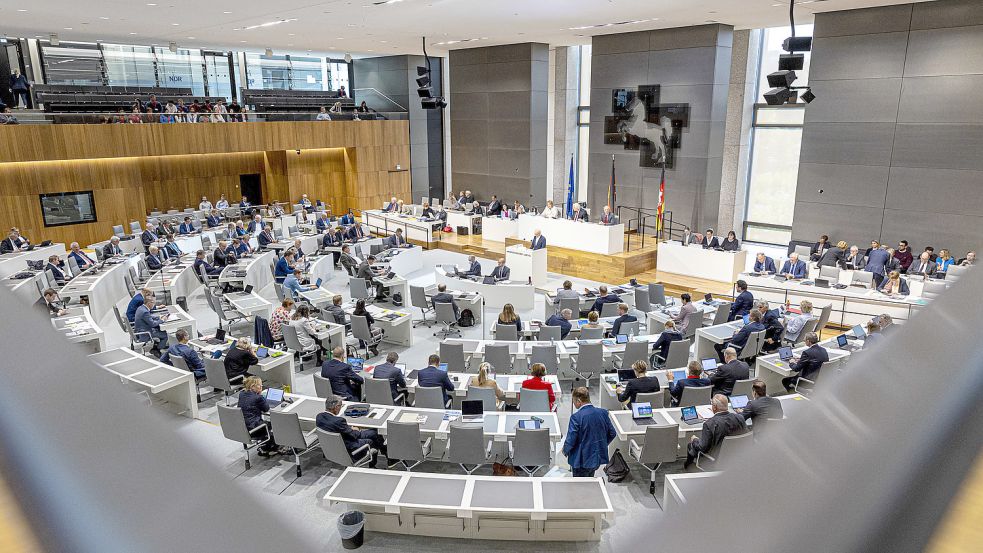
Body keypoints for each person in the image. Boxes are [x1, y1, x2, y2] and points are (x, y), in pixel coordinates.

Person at [316, 395, 388, 467]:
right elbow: (355, 435)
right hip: (349, 449)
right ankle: (377, 462)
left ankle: (384, 456)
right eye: (341, 406)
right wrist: (356, 429)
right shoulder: (339, 421)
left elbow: (337, 428)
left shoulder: (319, 417)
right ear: (336, 407)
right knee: (374, 434)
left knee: (373, 434)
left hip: (333, 448)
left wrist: (348, 428)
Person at [562, 387, 616, 477]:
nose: (574, 404)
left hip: (581, 460)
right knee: (590, 480)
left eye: (574, 401)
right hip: (596, 458)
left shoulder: (576, 417)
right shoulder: (603, 413)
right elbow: (612, 433)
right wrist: (601, 444)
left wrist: (565, 450)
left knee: (580, 486)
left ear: (579, 401)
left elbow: (571, 440)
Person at [683, 394, 748, 468]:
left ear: (714, 407)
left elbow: (702, 447)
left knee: (691, 445)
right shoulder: (740, 417)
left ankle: (688, 469)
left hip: (716, 459)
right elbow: (746, 436)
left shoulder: (709, 424)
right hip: (738, 455)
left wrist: (694, 440)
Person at [238, 377, 283, 456]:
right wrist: (261, 397)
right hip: (254, 429)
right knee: (276, 423)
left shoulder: (241, 394)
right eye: (260, 386)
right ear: (252, 387)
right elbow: (266, 409)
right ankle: (270, 447)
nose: (262, 387)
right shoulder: (258, 397)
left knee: (264, 423)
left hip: (242, 428)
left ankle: (265, 445)